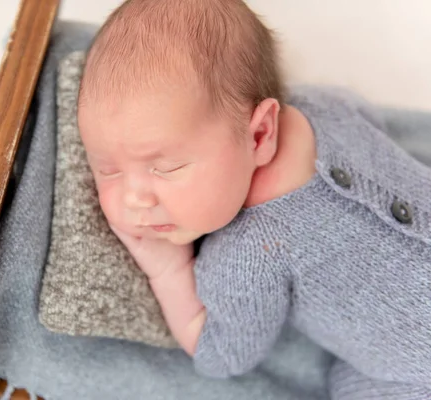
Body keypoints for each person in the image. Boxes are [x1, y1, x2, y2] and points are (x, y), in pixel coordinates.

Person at [76, 0, 431, 398]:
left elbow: (225, 355)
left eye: (167, 166)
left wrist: (168, 272)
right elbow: (364, 112)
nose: (135, 198)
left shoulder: (249, 253)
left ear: (260, 134)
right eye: (107, 170)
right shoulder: (325, 108)